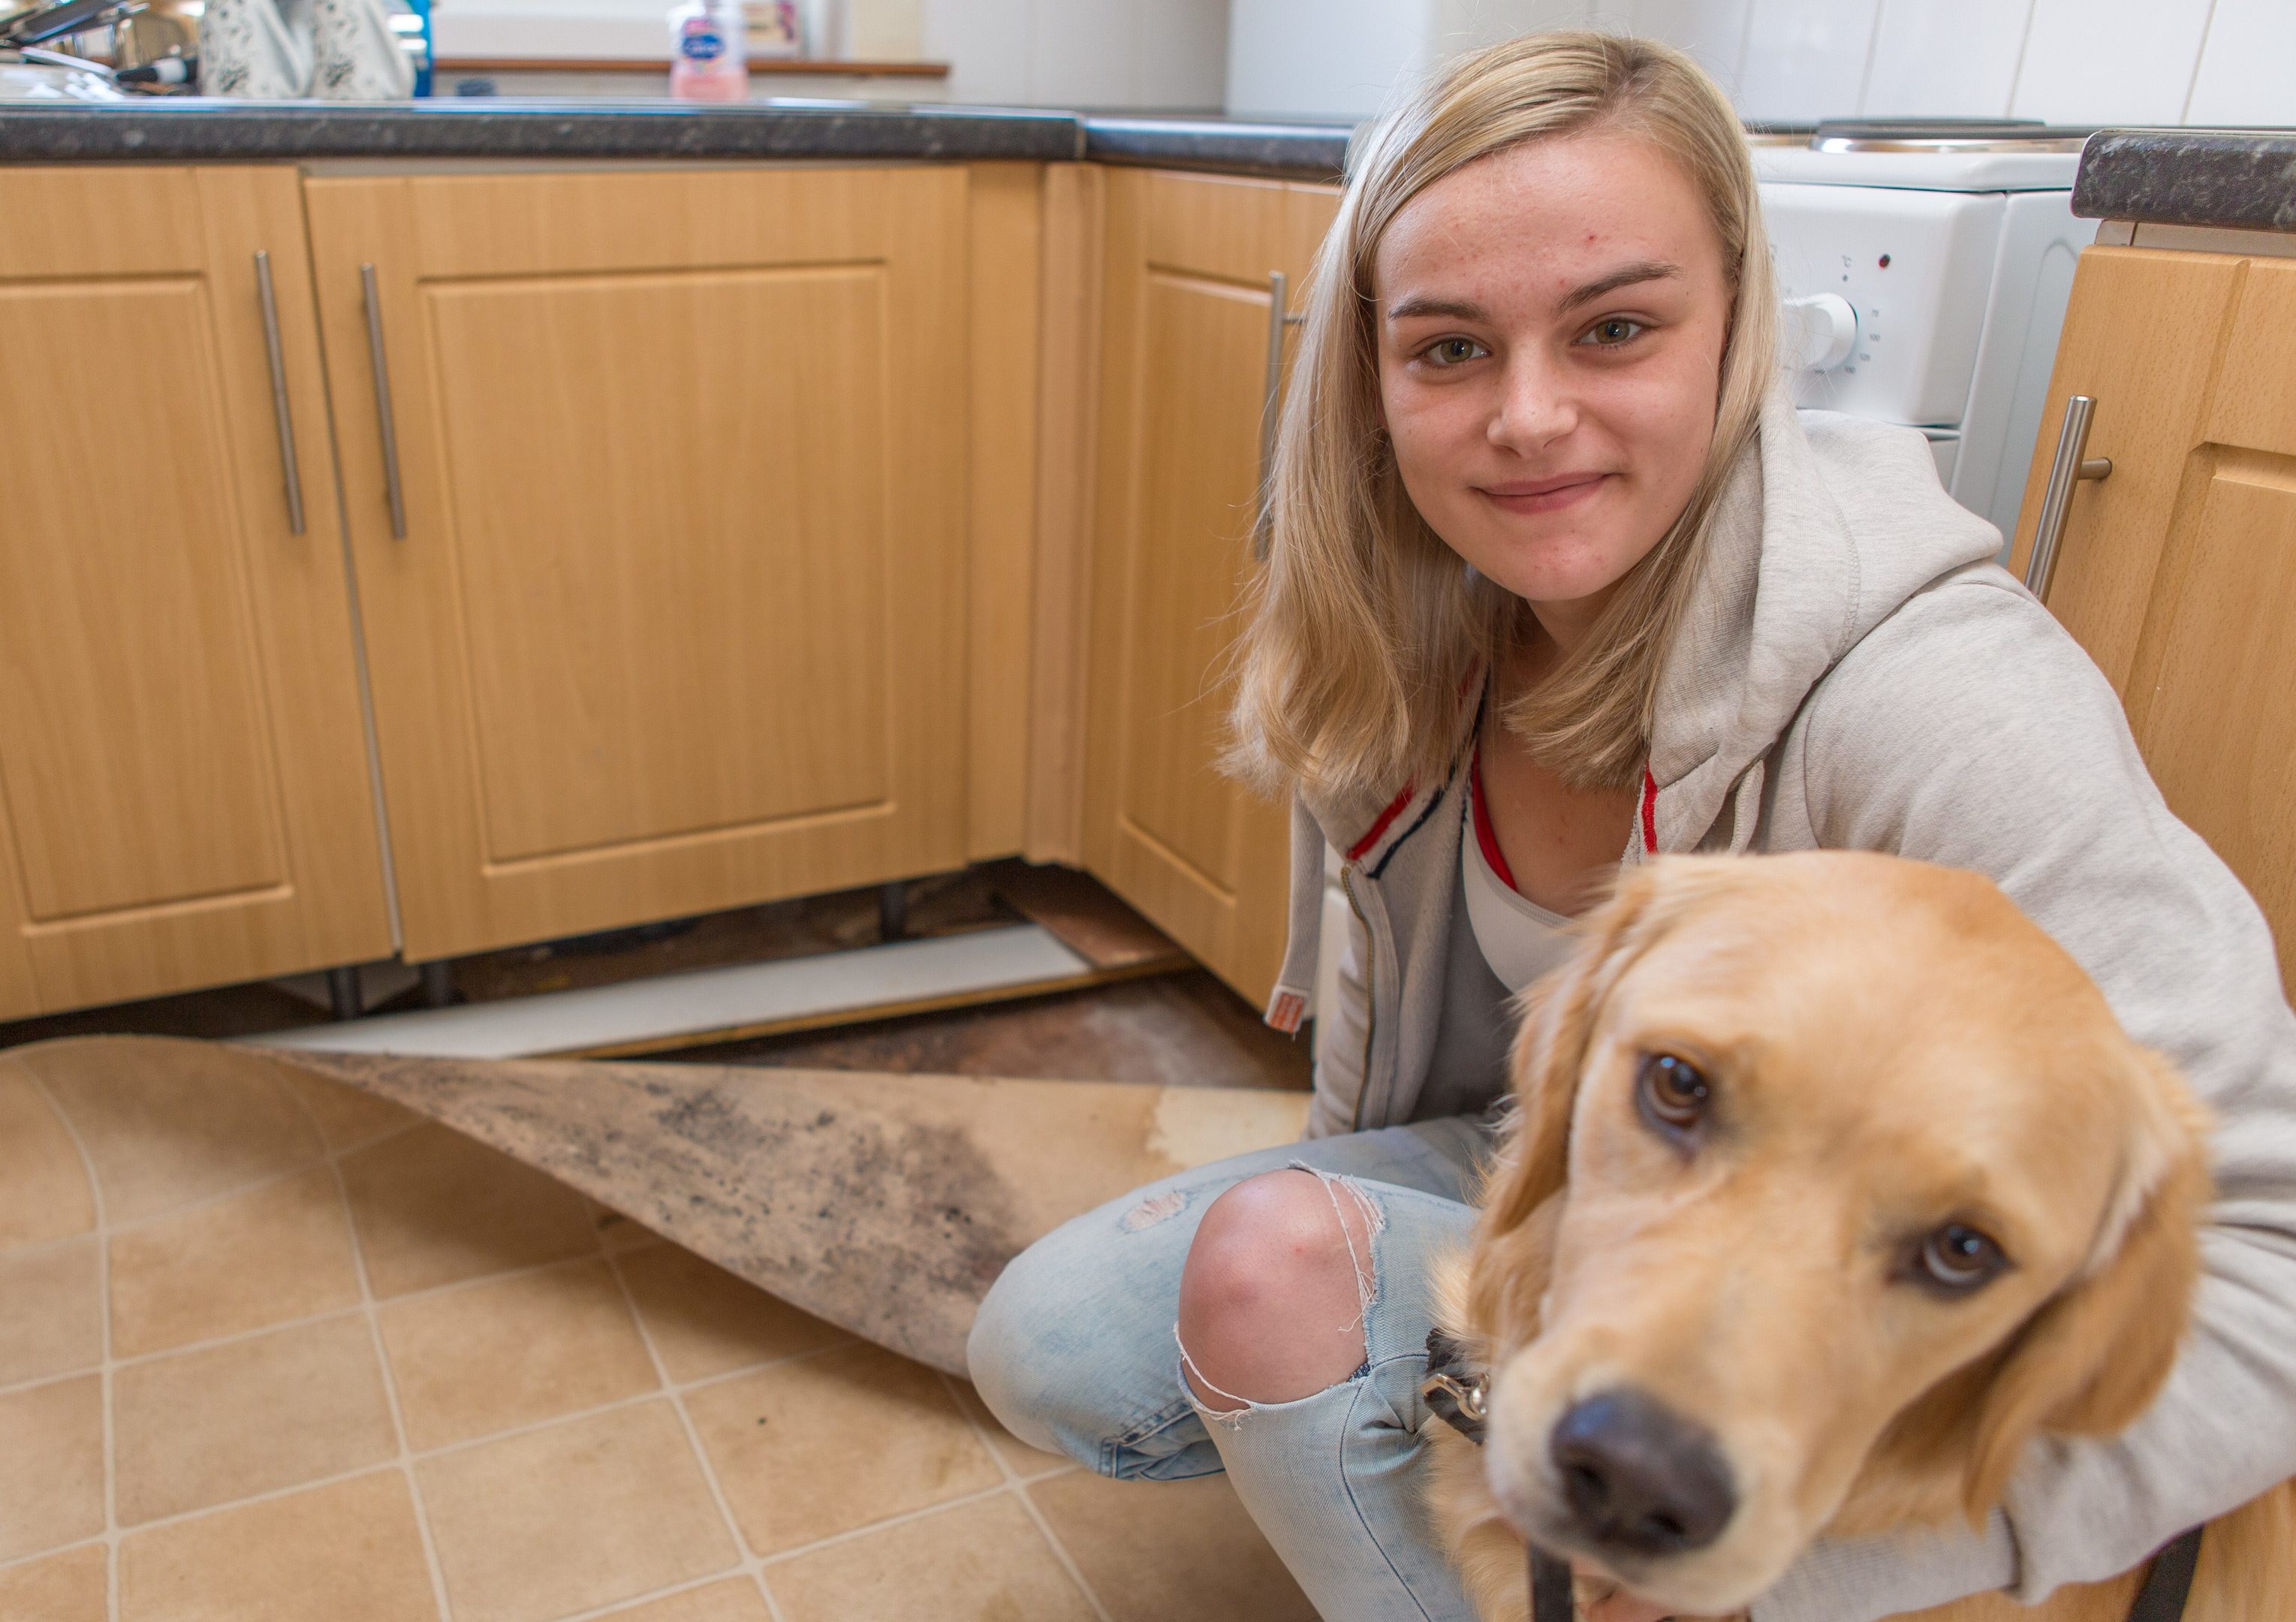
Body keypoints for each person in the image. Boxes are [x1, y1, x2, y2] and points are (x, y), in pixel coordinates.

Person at [968, 31, 2296, 1622]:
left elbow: (2274, 1269)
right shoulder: (1413, 627)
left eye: (1612, 328)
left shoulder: (1941, 703)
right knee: (1072, 1341)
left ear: (1732, 328)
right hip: (1545, 1158)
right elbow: (1390, 1037)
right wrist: (1326, 1288)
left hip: (1713, 1256)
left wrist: (1808, 1560)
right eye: (1450, 349)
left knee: (1277, 1285)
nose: (1527, 419)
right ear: (1371, 375)